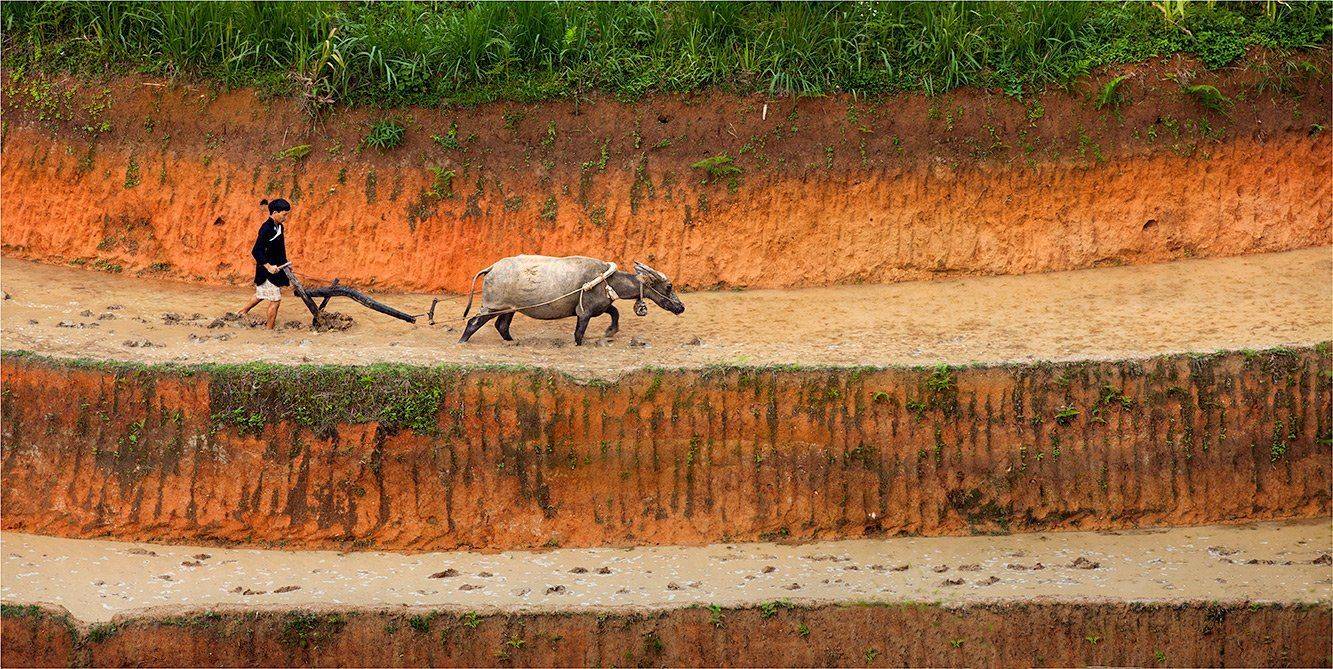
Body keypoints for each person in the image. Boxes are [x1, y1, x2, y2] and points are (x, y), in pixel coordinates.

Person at [238, 198, 291, 329]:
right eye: (284, 214)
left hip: (276, 268)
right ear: (274, 212)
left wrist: (286, 264)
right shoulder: (266, 228)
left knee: (262, 294)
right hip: (267, 269)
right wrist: (268, 266)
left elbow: (280, 249)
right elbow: (256, 251)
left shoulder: (279, 227)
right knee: (276, 300)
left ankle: (241, 312)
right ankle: (269, 330)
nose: (285, 218)